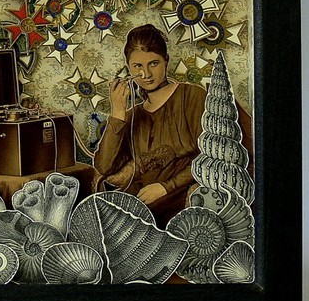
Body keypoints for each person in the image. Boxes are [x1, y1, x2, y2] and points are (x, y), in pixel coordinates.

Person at [93, 23, 252, 229]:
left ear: (166, 61)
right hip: (143, 202)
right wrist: (117, 113)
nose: (146, 74)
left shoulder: (192, 97)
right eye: (137, 66)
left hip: (183, 198)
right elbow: (104, 167)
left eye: (154, 63)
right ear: (129, 69)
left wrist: (166, 187)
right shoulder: (132, 115)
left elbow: (213, 156)